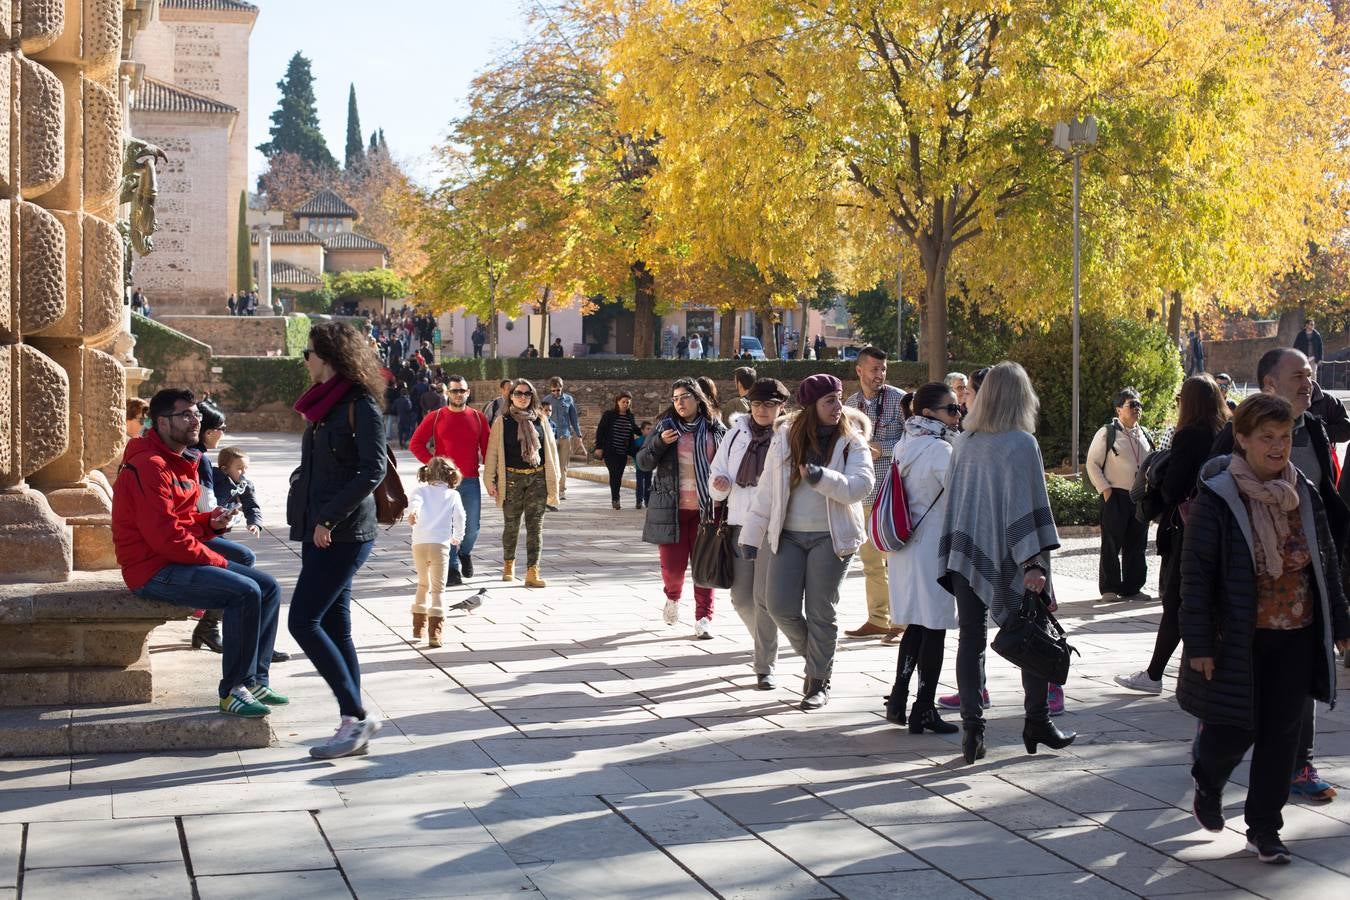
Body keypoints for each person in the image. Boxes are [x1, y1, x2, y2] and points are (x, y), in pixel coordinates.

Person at [1182, 393, 1350, 865]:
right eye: (1267, 438)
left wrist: (1341, 623)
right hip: (1238, 637)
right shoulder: (1218, 497)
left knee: (1282, 734)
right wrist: (1199, 643)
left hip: (1297, 633)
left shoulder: (1304, 493)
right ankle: (1208, 779)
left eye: (1285, 438)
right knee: (1235, 730)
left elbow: (1326, 565)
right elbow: (1196, 576)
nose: (1278, 447)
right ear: (1242, 439)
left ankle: (1264, 828)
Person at [1209, 347, 1349, 802]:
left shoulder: (1315, 429)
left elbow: (1327, 500)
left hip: (1303, 590)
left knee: (1297, 690)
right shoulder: (1234, 439)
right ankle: (1212, 761)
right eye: (1298, 376)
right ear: (1269, 383)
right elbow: (1209, 505)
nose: (1309, 383)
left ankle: (1296, 769)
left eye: (1310, 375)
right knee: (1245, 708)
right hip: (1248, 598)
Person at [111, 388, 284, 719]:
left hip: (169, 556)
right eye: (186, 415)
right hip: (151, 569)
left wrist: (210, 523)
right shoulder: (150, 465)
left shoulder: (180, 459)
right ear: (162, 422)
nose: (195, 421)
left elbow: (182, 521)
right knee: (245, 591)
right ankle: (233, 691)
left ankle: (254, 681)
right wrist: (220, 562)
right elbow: (167, 539)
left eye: (197, 414)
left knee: (269, 587)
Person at [937, 361, 1074, 765]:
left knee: (971, 639)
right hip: (1016, 559)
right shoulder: (1021, 443)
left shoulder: (965, 441)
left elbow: (959, 501)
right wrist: (1033, 563)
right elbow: (1026, 503)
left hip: (965, 552)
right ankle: (1038, 721)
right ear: (1020, 397)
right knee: (1031, 629)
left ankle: (972, 730)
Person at [741, 374, 873, 710]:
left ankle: (817, 681)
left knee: (820, 611)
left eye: (839, 398)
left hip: (832, 538)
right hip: (787, 536)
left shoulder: (852, 440)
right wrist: (751, 535)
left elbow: (860, 486)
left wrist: (822, 477)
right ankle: (817, 659)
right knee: (778, 607)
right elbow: (767, 491)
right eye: (829, 400)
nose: (838, 406)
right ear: (811, 405)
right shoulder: (785, 437)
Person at [287, 322, 389, 759]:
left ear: (326, 355)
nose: (305, 361)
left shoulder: (359, 404)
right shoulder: (324, 404)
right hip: (318, 528)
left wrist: (329, 516)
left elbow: (374, 469)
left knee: (302, 621)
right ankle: (353, 722)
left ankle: (356, 715)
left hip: (343, 532)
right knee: (333, 625)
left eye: (307, 353)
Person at [1115, 375, 1229, 695]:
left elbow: (1172, 489)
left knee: (1177, 600)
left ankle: (1154, 675)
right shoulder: (1224, 432)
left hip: (1187, 529)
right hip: (1219, 526)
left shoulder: (1189, 435)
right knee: (1205, 601)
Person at [884, 383, 963, 734]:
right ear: (929, 413)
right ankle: (924, 708)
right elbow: (961, 497)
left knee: (916, 625)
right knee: (934, 628)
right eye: (952, 409)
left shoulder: (905, 442)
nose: (958, 414)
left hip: (906, 546)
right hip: (933, 547)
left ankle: (899, 698)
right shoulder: (940, 450)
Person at [709, 378, 787, 686]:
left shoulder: (789, 436)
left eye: (769, 404)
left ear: (781, 406)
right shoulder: (735, 434)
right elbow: (718, 470)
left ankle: (764, 664)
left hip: (774, 526)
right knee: (741, 598)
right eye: (756, 404)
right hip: (740, 523)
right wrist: (720, 485)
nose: (761, 410)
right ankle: (767, 642)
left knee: (764, 598)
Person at [637, 377, 727, 637]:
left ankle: (704, 618)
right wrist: (659, 443)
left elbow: (729, 462)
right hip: (672, 511)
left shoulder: (715, 428)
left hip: (707, 511)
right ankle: (673, 596)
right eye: (675, 399)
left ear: (697, 399)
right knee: (673, 571)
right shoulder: (665, 427)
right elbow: (643, 462)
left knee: (704, 569)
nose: (679, 403)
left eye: (684, 397)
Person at [844, 346, 906, 640]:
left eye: (883, 369)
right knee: (870, 563)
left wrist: (885, 448)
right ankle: (878, 619)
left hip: (890, 493)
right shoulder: (850, 404)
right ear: (859, 371)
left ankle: (901, 621)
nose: (880, 375)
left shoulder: (900, 400)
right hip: (862, 494)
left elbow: (913, 439)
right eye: (874, 369)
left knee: (895, 562)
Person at [409, 375, 490, 586]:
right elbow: (416, 444)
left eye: (462, 390)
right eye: (454, 391)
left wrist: (494, 477)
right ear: (447, 393)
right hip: (442, 484)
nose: (458, 394)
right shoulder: (435, 417)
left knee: (472, 527)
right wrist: (435, 464)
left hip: (470, 480)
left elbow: (489, 450)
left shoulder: (478, 418)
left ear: (468, 392)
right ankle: (452, 568)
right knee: (447, 526)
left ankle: (464, 552)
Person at [483, 378, 562, 588]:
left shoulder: (541, 419)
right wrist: (489, 480)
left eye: (527, 394)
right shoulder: (502, 421)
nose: (522, 397)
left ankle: (532, 571)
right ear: (511, 396)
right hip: (511, 479)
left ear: (532, 396)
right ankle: (509, 563)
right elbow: (492, 453)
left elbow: (551, 451)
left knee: (535, 526)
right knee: (511, 525)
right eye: (518, 393)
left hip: (537, 478)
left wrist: (556, 478)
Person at [1085, 388, 1154, 603]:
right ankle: (1110, 588)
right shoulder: (1107, 433)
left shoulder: (1145, 434)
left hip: (1139, 496)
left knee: (1137, 544)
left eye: (1139, 405)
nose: (1137, 409)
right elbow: (1092, 464)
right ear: (1118, 409)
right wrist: (1106, 490)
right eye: (1132, 405)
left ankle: (1133, 587)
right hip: (1115, 495)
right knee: (1111, 543)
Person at [407, 457, 466, 648]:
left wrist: (414, 513)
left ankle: (418, 628)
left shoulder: (420, 491)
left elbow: (415, 504)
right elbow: (460, 517)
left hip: (419, 543)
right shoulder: (452, 494)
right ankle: (435, 633)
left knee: (422, 583)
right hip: (440, 545)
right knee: (438, 589)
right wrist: (458, 536)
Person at [593, 391, 639, 510]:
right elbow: (600, 431)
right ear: (617, 402)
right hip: (610, 451)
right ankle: (615, 499)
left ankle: (616, 497)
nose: (625, 404)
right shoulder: (609, 415)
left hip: (623, 452)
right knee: (614, 474)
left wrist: (648, 432)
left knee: (619, 475)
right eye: (623, 402)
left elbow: (635, 429)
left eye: (628, 402)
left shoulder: (630, 416)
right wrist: (599, 447)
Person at [212, 446, 263, 538]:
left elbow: (251, 506)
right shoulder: (214, 480)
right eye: (240, 468)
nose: (244, 472)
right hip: (208, 523)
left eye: (246, 468)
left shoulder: (245, 486)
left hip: (224, 525)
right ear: (224, 469)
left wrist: (254, 523)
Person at [547, 377, 584, 500]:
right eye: (553, 390)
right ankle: (552, 490)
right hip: (551, 437)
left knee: (563, 465)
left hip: (565, 436)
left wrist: (578, 434)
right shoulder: (546, 400)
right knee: (552, 465)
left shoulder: (569, 399)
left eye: (558, 390)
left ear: (562, 387)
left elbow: (574, 418)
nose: (556, 393)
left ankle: (561, 490)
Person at [633, 421, 654, 510]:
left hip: (649, 466)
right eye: (647, 429)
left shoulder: (653, 441)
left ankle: (647, 501)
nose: (650, 431)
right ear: (642, 430)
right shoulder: (637, 442)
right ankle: (639, 501)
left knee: (648, 484)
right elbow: (634, 453)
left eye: (651, 429)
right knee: (640, 484)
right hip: (639, 467)